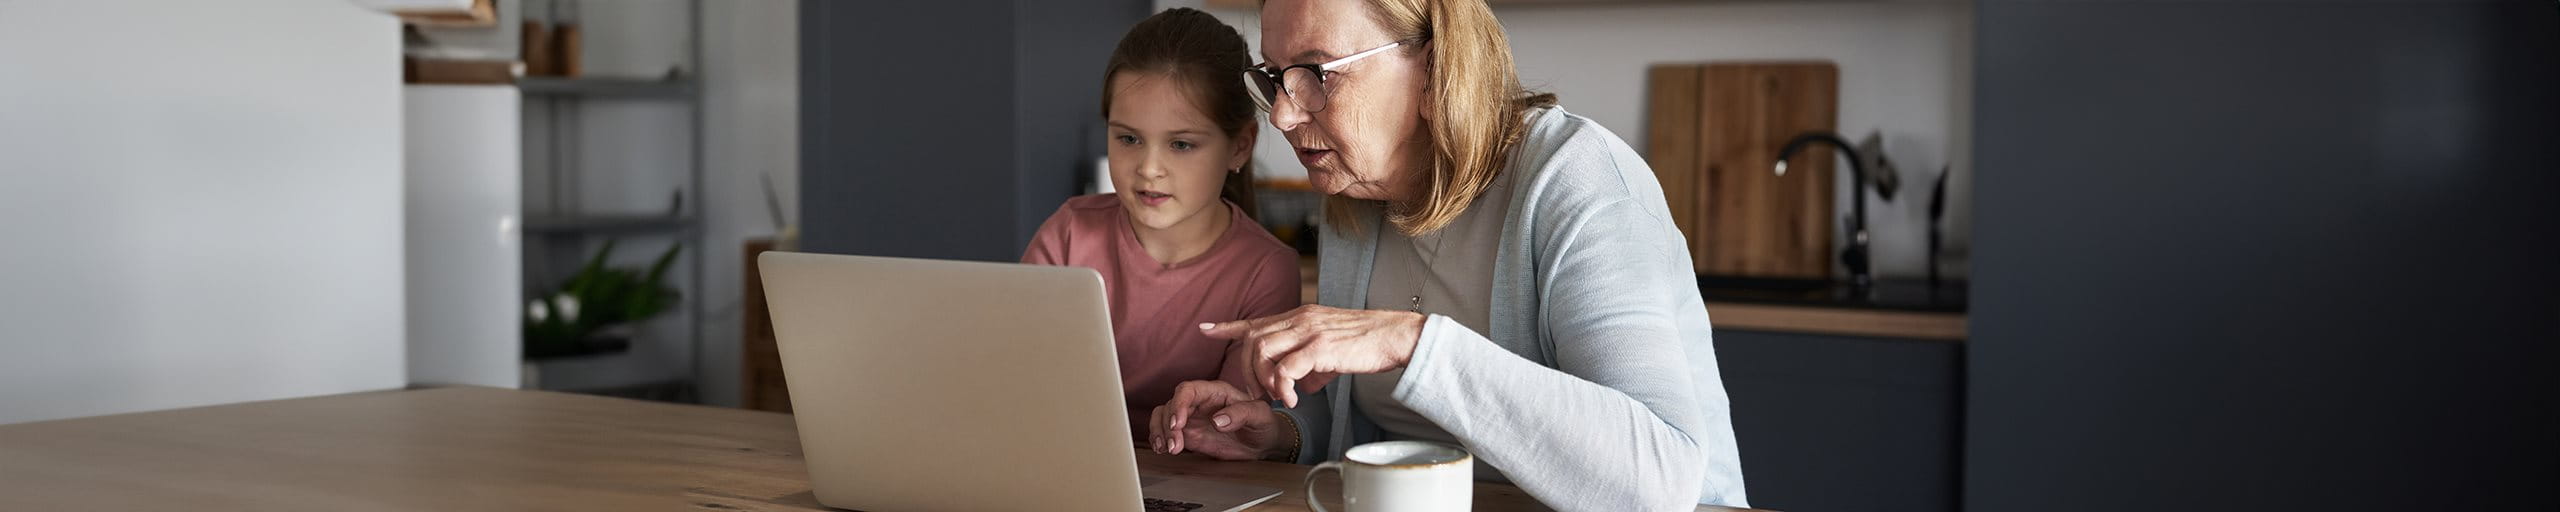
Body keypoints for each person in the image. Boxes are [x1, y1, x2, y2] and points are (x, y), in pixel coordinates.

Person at [1142, 0, 1748, 509]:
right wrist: (1279, 435)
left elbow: (1659, 480)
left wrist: (1411, 342)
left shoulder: (1579, 178)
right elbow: (1378, 422)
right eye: (1275, 76)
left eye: (1316, 73)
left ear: (1434, 70)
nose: (1282, 112)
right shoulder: (1355, 192)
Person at [1020, 7, 1305, 441]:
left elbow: (1230, 424)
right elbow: (1015, 376)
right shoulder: (1069, 233)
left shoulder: (1266, 271)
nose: (1149, 168)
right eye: (1129, 138)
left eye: (1181, 144)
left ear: (1239, 147)